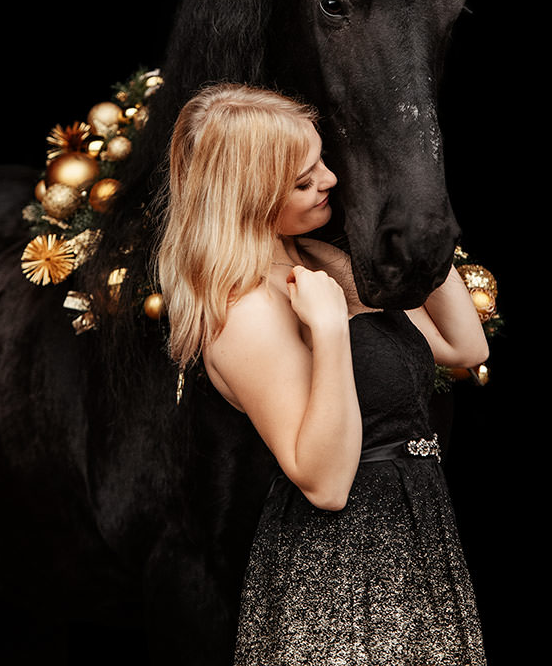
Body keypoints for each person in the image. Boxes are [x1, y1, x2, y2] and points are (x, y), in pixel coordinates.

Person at [157, 82, 488, 665]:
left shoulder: (323, 257)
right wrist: (331, 332)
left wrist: (424, 240)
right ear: (250, 197)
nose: (330, 180)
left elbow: (463, 347)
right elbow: (325, 484)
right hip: (341, 563)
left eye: (322, 162)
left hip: (416, 525)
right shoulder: (244, 312)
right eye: (304, 180)